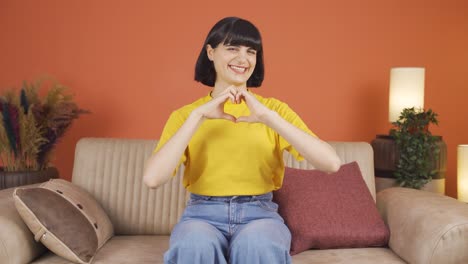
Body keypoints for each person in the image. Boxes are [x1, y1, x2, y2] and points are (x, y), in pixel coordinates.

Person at [143, 16, 341, 264]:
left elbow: (331, 163)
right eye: (232, 48)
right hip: (202, 216)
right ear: (211, 52)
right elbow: (152, 179)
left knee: (258, 245)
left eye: (251, 51)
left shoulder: (273, 111)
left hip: (260, 215)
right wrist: (198, 116)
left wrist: (268, 118)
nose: (243, 59)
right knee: (193, 245)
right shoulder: (186, 115)